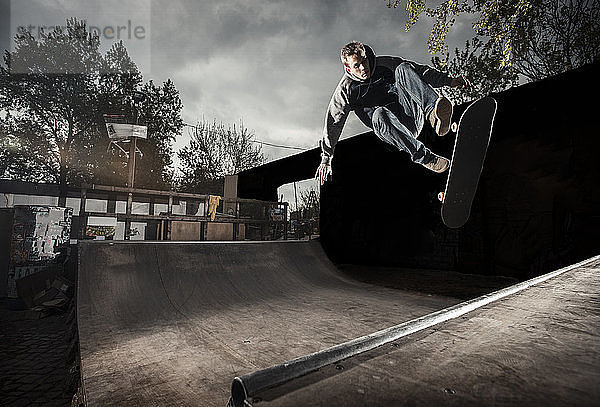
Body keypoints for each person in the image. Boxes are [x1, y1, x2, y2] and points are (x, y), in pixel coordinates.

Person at [315, 41, 471, 185]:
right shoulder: (346, 90)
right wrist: (326, 158)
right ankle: (425, 157)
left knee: (404, 69)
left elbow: (420, 72)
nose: (363, 68)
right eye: (357, 65)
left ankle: (434, 116)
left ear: (367, 56)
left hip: (411, 115)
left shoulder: (386, 63)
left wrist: (450, 81)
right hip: (392, 131)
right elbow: (333, 122)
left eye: (364, 61)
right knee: (379, 114)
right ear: (348, 68)